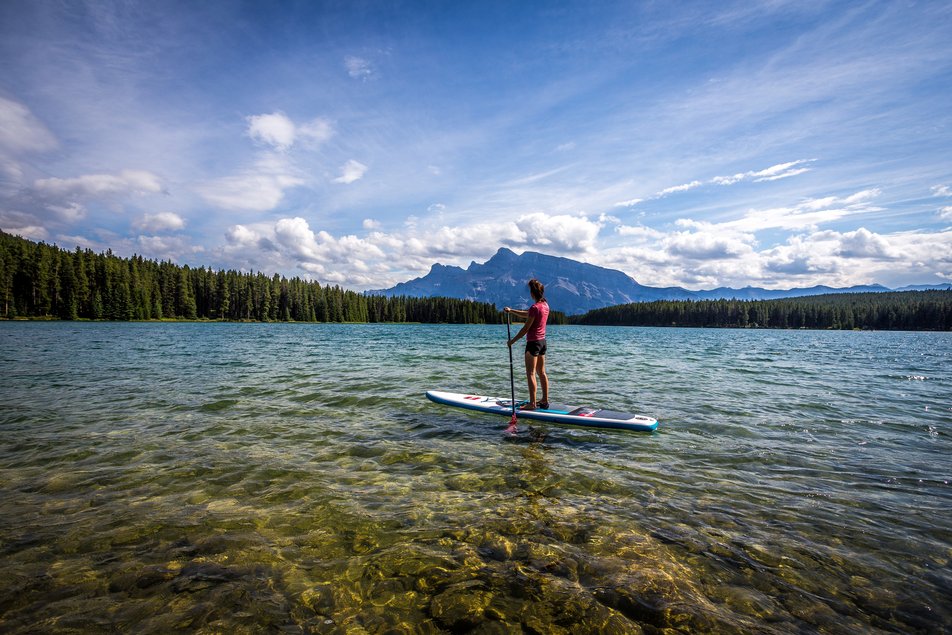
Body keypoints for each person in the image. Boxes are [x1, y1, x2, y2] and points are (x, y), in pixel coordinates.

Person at [505, 278, 550, 410]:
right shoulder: (545, 306)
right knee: (541, 372)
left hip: (533, 344)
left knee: (530, 373)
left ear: (532, 293)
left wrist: (512, 341)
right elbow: (528, 314)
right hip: (542, 343)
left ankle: (532, 404)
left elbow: (525, 329)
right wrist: (512, 311)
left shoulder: (535, 307)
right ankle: (545, 400)